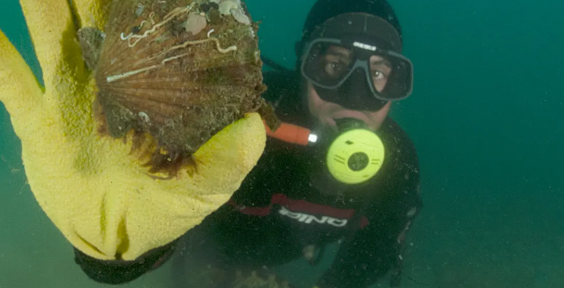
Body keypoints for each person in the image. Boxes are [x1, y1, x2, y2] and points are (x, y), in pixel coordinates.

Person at [71, 0, 421, 287]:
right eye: (332, 65)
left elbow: (375, 250)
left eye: (378, 74)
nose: (355, 96)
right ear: (303, 65)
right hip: (201, 252)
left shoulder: (398, 168)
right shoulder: (236, 118)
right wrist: (117, 254)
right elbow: (160, 207)